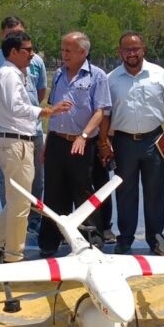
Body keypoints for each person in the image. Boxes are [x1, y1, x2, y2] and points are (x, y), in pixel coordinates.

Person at [0, 32, 71, 262]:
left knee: (18, 199)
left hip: (15, 141)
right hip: (16, 142)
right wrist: (47, 111)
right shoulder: (9, 75)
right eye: (27, 50)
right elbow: (16, 107)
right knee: (21, 203)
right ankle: (13, 255)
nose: (32, 54)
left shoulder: (11, 74)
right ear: (13, 52)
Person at [99, 31, 164, 256]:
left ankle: (156, 237)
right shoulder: (110, 79)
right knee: (125, 192)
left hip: (154, 141)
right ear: (120, 52)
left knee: (155, 191)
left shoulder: (160, 75)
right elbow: (105, 114)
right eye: (127, 49)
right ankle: (125, 238)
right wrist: (104, 142)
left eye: (135, 49)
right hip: (123, 142)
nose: (131, 53)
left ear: (143, 49)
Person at [38, 32, 112, 256]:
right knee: (53, 192)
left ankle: (91, 239)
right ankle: (50, 240)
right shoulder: (59, 74)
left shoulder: (97, 76)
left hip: (81, 143)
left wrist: (84, 135)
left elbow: (100, 111)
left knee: (83, 191)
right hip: (57, 141)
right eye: (62, 50)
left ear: (83, 52)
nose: (64, 54)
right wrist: (48, 141)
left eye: (68, 50)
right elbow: (55, 110)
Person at [0, 16, 48, 234]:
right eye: (11, 35)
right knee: (11, 182)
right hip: (8, 133)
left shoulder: (34, 61)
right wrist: (8, 118)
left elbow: (40, 91)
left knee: (36, 179)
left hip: (32, 130)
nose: (17, 38)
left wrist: (32, 114)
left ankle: (32, 220)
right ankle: (12, 228)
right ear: (3, 37)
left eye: (20, 33)